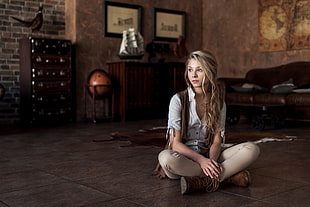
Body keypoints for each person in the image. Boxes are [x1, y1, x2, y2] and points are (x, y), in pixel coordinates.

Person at [157, 50, 260, 195]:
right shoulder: (178, 100)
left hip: (209, 154)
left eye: (199, 70)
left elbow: (217, 142)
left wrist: (211, 161)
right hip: (184, 158)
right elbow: (175, 144)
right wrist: (201, 161)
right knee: (165, 158)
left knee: (252, 149)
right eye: (190, 70)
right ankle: (226, 177)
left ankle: (204, 180)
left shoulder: (218, 103)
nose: (193, 75)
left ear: (210, 72)